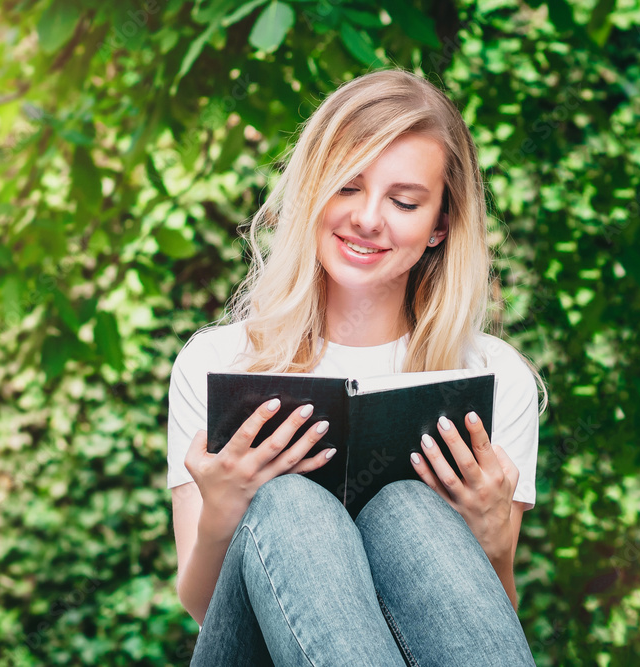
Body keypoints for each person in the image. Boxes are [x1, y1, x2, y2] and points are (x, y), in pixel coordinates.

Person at [166, 67, 549, 666]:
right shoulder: (217, 360)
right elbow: (200, 606)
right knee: (292, 505)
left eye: (403, 201)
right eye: (347, 186)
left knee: (408, 509)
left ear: (439, 226)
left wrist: (495, 541)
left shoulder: (496, 377)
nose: (369, 219)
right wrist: (224, 508)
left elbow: (474, 628)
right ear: (312, 190)